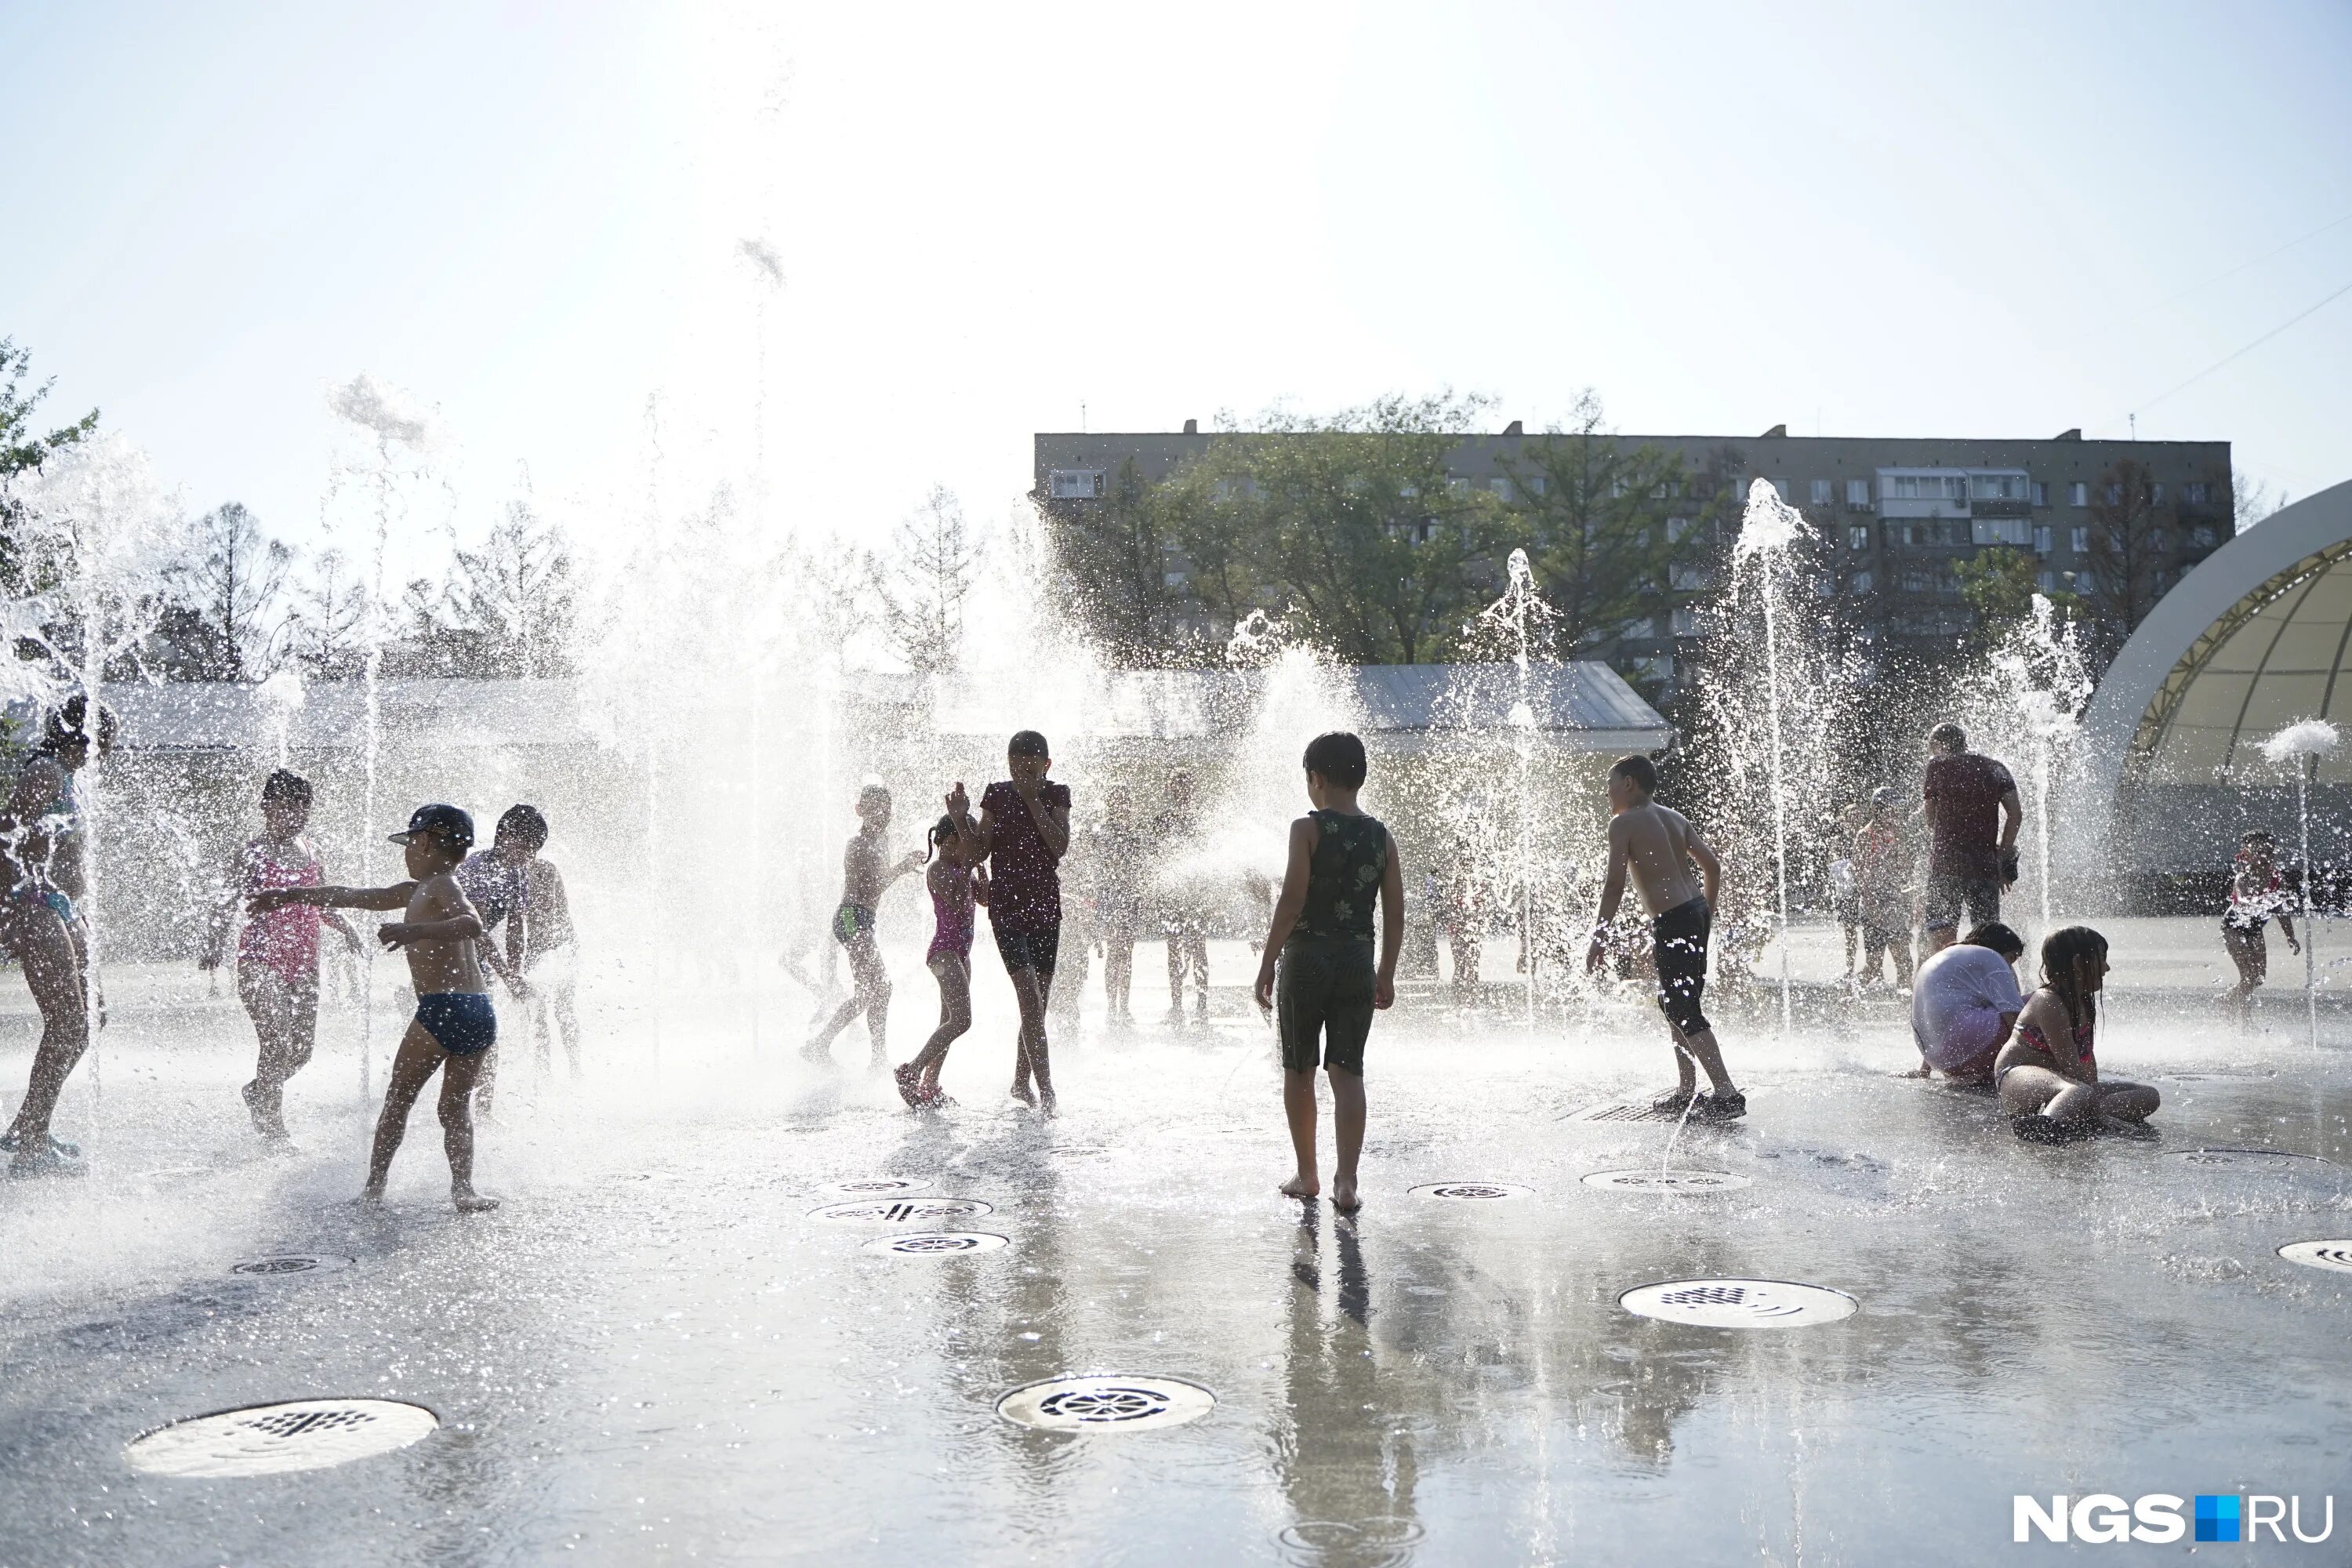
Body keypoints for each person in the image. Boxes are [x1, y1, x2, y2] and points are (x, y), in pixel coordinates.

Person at [251, 804, 503, 1210]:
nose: (406, 853)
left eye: (409, 844)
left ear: (422, 842)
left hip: (444, 1008)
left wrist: (413, 930)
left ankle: (373, 1189)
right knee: (454, 1107)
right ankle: (463, 1190)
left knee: (398, 1100)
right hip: (480, 1013)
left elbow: (472, 924)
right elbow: (352, 896)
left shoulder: (441, 886)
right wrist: (292, 896)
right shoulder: (417, 890)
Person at [1254, 731, 1403, 1214]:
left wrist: (1266, 960)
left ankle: (1308, 1173)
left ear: (1315, 778)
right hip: (1358, 962)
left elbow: (1292, 901)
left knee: (1299, 1069)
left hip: (1306, 962)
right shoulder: (1382, 836)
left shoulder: (1307, 829)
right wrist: (1386, 972)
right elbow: (1395, 913)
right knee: (1348, 1071)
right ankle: (1348, 1182)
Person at [200, 769, 362, 1139]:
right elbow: (225, 904)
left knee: (301, 1051)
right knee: (276, 1041)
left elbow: (322, 900)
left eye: (303, 810)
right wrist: (213, 943)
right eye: (287, 808)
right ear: (266, 807)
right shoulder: (249, 853)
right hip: (260, 958)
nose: (295, 817)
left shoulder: (311, 850)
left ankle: (259, 1091)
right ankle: (273, 1129)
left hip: (304, 961)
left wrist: (349, 928)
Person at [1584, 754, 1744, 1120]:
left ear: (1629, 783)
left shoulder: (1622, 823)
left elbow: (1613, 886)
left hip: (1675, 919)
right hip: (1692, 912)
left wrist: (1600, 936)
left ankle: (1726, 1094)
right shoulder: (1674, 817)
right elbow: (1712, 866)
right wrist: (1707, 911)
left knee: (1683, 1007)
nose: (1607, 791)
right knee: (1673, 1003)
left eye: (1611, 783)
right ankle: (1687, 1091)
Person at [0, 698, 116, 1175]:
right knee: (69, 1020)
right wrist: (9, 907)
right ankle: (30, 1143)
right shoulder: (45, 771)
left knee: (92, 1017)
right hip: (35, 902)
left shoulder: (66, 778)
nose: (110, 748)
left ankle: (31, 1124)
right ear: (84, 734)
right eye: (106, 736)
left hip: (62, 907)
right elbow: (5, 834)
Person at [949, 731, 1071, 1114]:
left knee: (1039, 1004)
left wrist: (1034, 801)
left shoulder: (1057, 794)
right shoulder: (997, 795)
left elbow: (1060, 846)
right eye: (1014, 767)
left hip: (1045, 910)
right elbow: (979, 850)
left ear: (1046, 766)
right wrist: (960, 819)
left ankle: (1021, 1081)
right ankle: (1047, 1092)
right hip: (1007, 911)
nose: (1021, 776)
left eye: (1030, 769)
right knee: (1030, 999)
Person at [1994, 924, 2160, 1142]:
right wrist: (2088, 1094)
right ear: (2079, 963)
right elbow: (2070, 1064)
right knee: (2079, 1093)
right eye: (2102, 958)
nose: (2107, 968)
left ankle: (2081, 1115)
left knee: (2148, 1095)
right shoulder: (2049, 1001)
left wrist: (2093, 1091)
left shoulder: (2083, 1001)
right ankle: (2046, 1127)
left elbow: (2087, 1058)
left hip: (2065, 1087)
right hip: (2019, 1079)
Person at [804, 783, 926, 1069]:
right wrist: (905, 866)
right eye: (872, 808)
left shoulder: (882, 840)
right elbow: (874, 886)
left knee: (877, 990)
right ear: (861, 811)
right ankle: (828, 1047)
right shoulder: (857, 844)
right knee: (877, 988)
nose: (880, 814)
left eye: (884, 808)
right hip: (849, 917)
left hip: (861, 919)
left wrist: (905, 864)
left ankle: (871, 1056)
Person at [894, 814, 988, 1108]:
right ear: (949, 843)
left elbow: (983, 900)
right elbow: (959, 903)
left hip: (961, 955)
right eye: (968, 842)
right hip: (943, 953)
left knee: (947, 1021)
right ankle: (910, 1070)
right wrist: (970, 866)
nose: (973, 848)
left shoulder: (963, 869)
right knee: (961, 1020)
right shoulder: (938, 869)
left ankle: (929, 1085)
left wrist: (981, 872)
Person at [1920, 721, 2021, 956]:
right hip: (1985, 866)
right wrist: (2003, 853)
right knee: (1987, 939)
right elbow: (2016, 814)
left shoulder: (1938, 765)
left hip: (1946, 867)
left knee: (1942, 937)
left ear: (1938, 745)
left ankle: (1944, 987)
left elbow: (1930, 819)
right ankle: (1983, 988)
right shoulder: (1996, 768)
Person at [1907, 921, 2024, 1082]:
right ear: (1998, 948)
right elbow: (2014, 1016)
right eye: (2011, 958)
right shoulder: (1992, 956)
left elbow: (1937, 1017)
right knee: (2038, 1001)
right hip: (1967, 1048)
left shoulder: (1947, 956)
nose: (2010, 966)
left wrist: (1924, 1070)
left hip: (1940, 1060)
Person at [2223, 829, 2298, 1012]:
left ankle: (2229, 1000)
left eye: (2268, 852)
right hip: (2234, 928)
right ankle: (2244, 1019)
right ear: (2247, 854)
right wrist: (2267, 901)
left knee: (2259, 978)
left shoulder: (2277, 879)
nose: (2264, 856)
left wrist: (2290, 936)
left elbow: (2282, 910)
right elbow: (2243, 901)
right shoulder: (2243, 877)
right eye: (2258, 851)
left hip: (2255, 929)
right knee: (2248, 976)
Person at [1160, 769, 1210, 1025]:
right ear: (1171, 790)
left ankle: (1202, 1003)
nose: (1182, 791)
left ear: (1192, 790)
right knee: (1173, 950)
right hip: (1172, 895)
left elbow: (1210, 856)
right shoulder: (1162, 820)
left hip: (1195, 893)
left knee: (1199, 948)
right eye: (1177, 787)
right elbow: (1156, 858)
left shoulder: (1201, 819)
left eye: (1186, 786)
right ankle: (1177, 1004)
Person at [1852, 786, 1915, 989]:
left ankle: (1907, 1007)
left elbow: (1905, 870)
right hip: (1874, 906)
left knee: (1905, 964)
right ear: (1878, 810)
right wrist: (1871, 903)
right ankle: (1848, 995)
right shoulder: (1865, 836)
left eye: (1897, 810)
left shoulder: (1899, 834)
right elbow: (1859, 874)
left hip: (1895, 905)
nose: (1895, 814)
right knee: (1873, 967)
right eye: (1891, 809)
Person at [1092, 786, 1145, 1025]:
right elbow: (1101, 866)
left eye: (1124, 801)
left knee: (1126, 954)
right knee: (1115, 952)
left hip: (1127, 897)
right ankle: (1112, 1006)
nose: (1120, 805)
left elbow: (1138, 867)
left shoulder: (1133, 834)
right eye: (1117, 801)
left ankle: (1123, 1006)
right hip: (1111, 897)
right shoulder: (1103, 831)